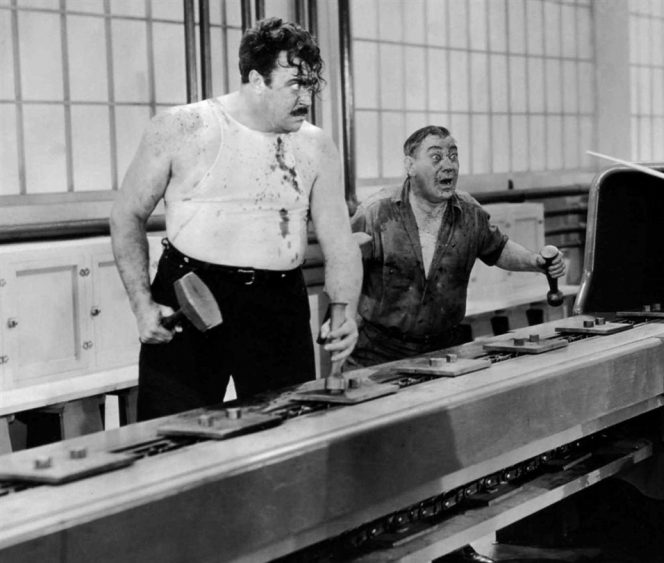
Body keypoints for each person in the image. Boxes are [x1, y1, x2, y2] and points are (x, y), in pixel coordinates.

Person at [110, 17, 361, 421]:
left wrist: (343, 310)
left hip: (278, 303)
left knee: (286, 430)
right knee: (172, 435)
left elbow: (341, 244)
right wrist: (142, 305)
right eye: (294, 84)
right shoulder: (182, 127)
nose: (306, 98)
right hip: (190, 292)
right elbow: (127, 215)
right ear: (256, 80)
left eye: (310, 85)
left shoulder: (316, 146)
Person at [349, 125, 567, 369]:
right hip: (377, 353)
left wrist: (536, 262)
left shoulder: (469, 212)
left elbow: (498, 249)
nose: (449, 165)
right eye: (436, 157)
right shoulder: (376, 212)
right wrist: (341, 320)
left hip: (444, 350)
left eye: (453, 156)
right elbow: (343, 265)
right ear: (410, 166)